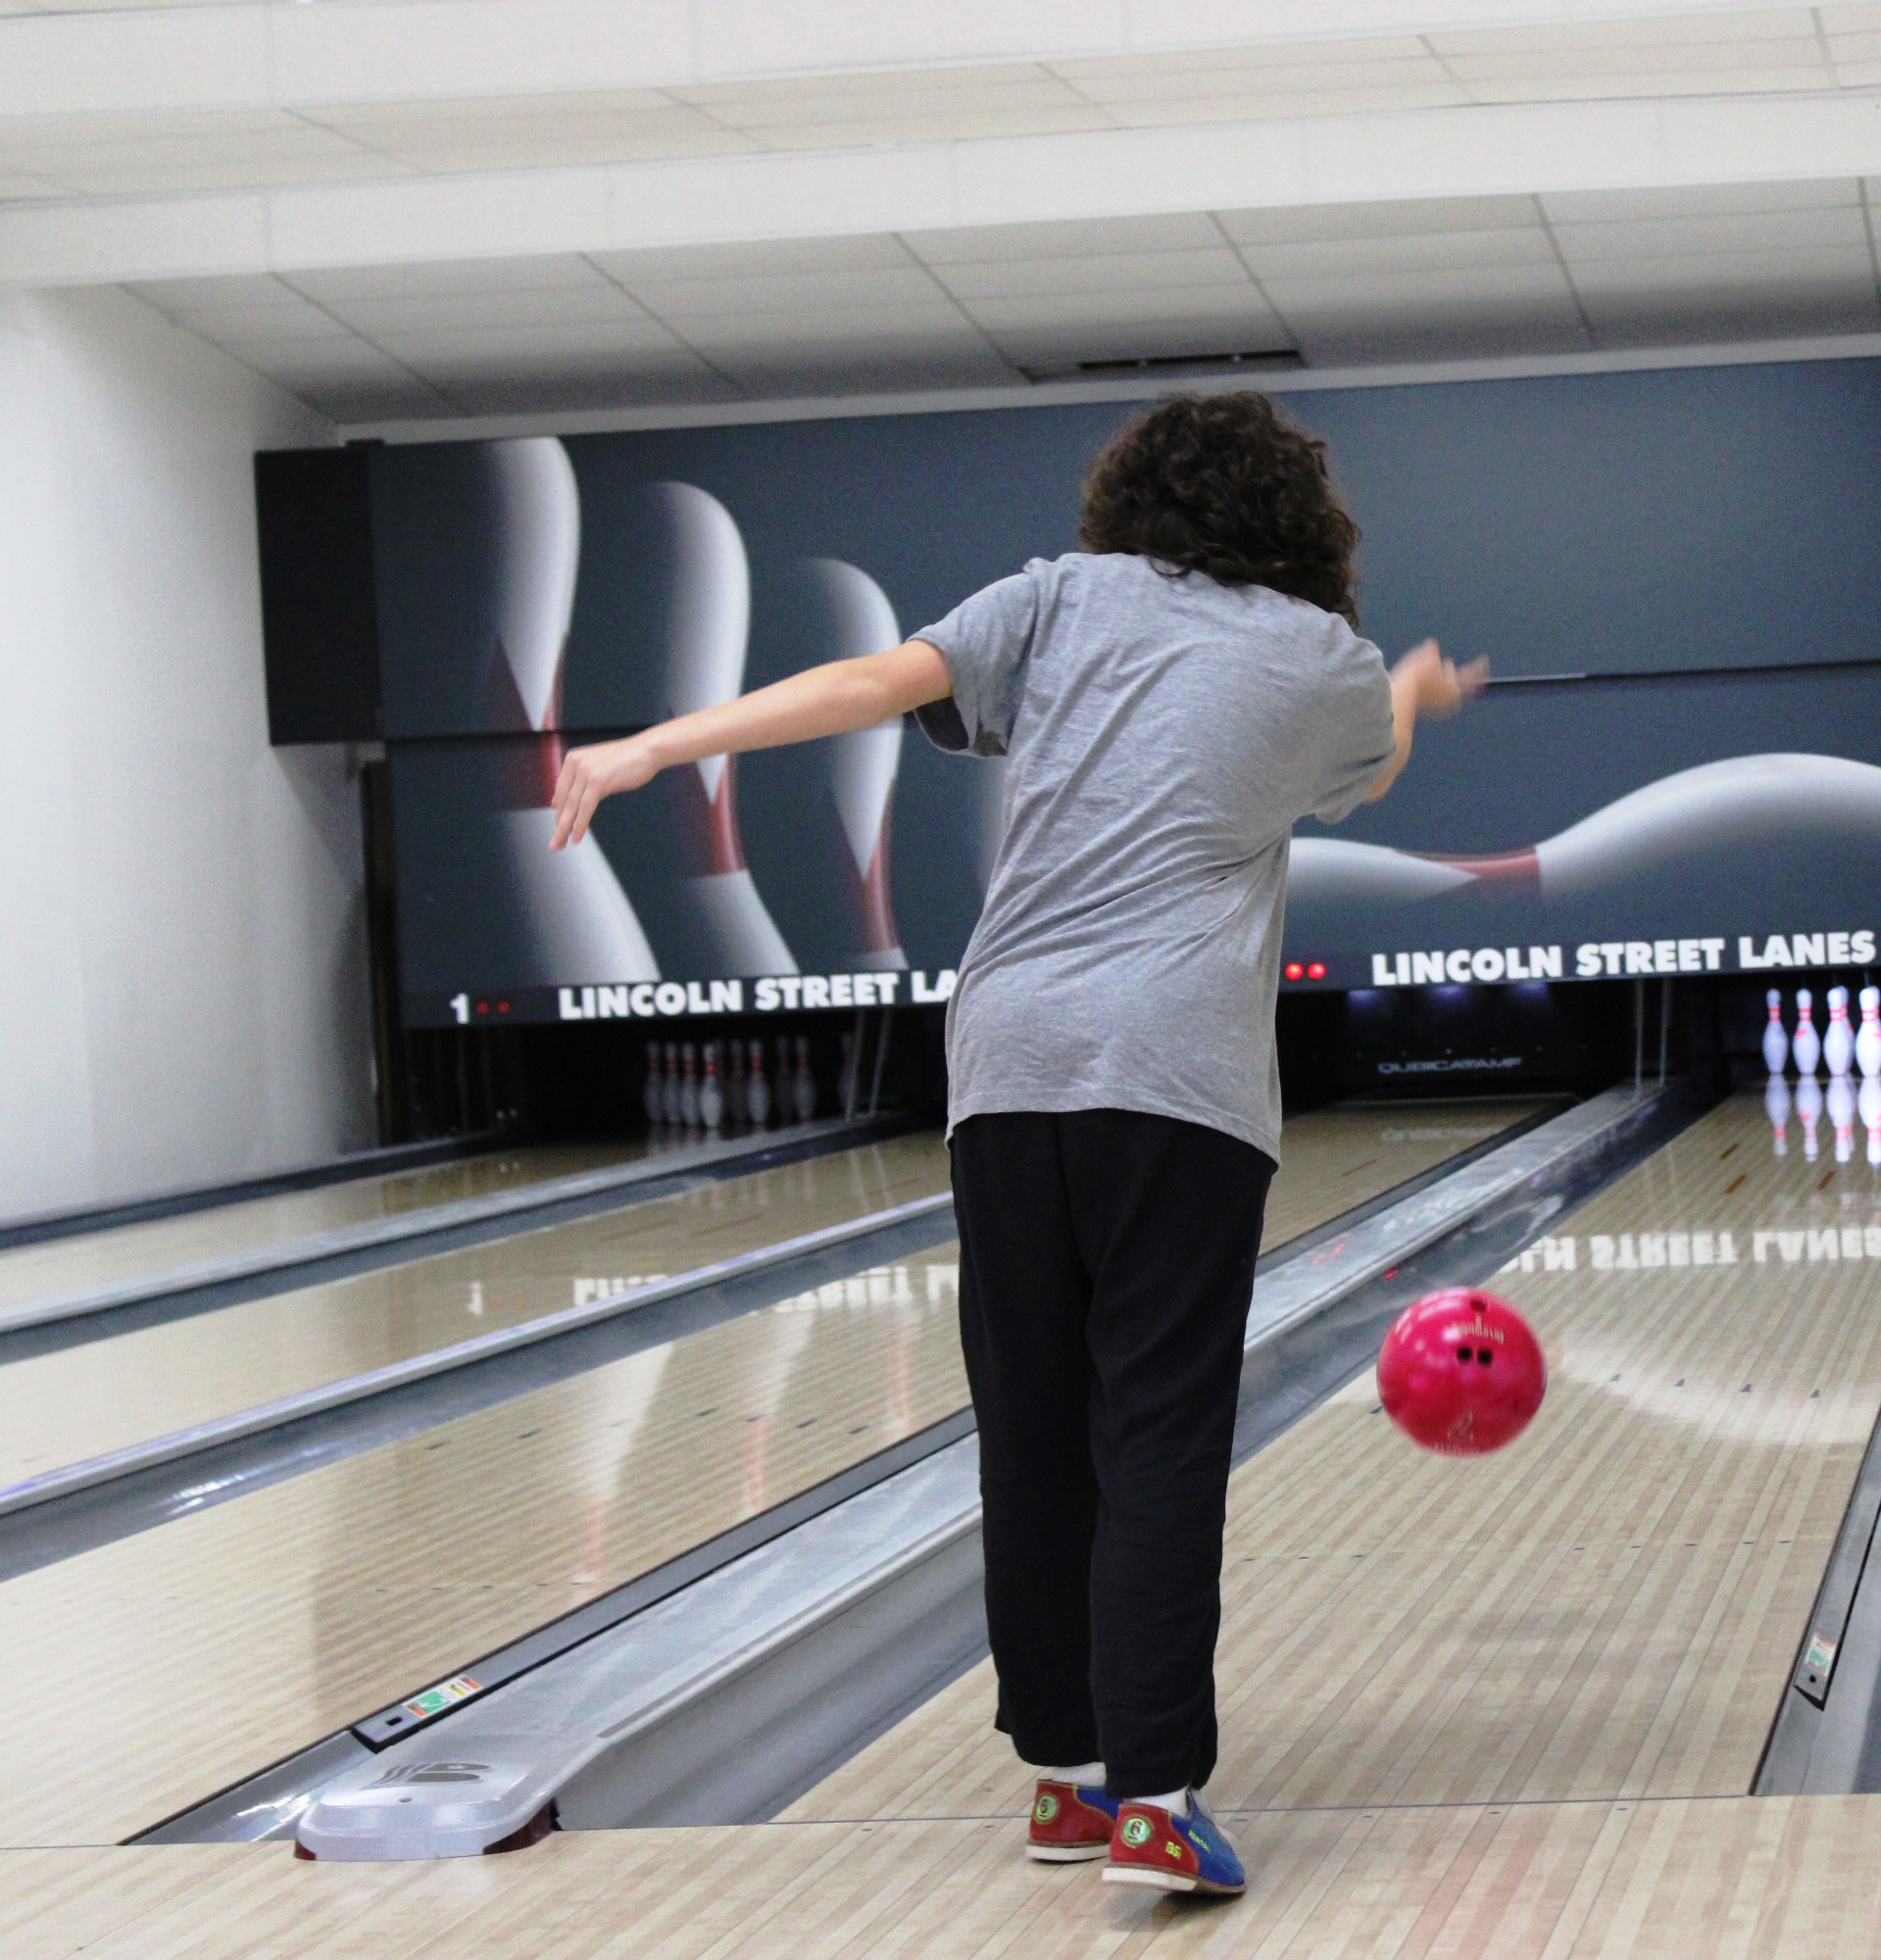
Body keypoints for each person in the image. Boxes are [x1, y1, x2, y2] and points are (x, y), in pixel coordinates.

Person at [549, 390, 1485, 1898]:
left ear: (1130, 501)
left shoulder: (1053, 599)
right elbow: (1355, 764)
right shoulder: (1325, 661)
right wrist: (1419, 698)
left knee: (1035, 1431)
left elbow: (868, 680)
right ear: (1298, 526)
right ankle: (1157, 1800)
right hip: (1174, 1079)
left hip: (1005, 1066)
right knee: (1159, 1436)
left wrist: (658, 744)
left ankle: (1066, 1777)